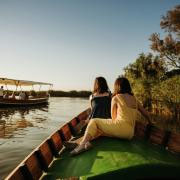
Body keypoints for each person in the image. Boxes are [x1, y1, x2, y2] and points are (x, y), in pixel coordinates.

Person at [70, 77, 151, 155]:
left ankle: (82, 144)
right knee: (100, 129)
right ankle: (82, 143)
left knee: (94, 121)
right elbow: (146, 114)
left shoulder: (116, 98)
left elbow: (113, 118)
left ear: (117, 86)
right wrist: (151, 123)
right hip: (130, 134)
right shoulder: (134, 99)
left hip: (121, 129)